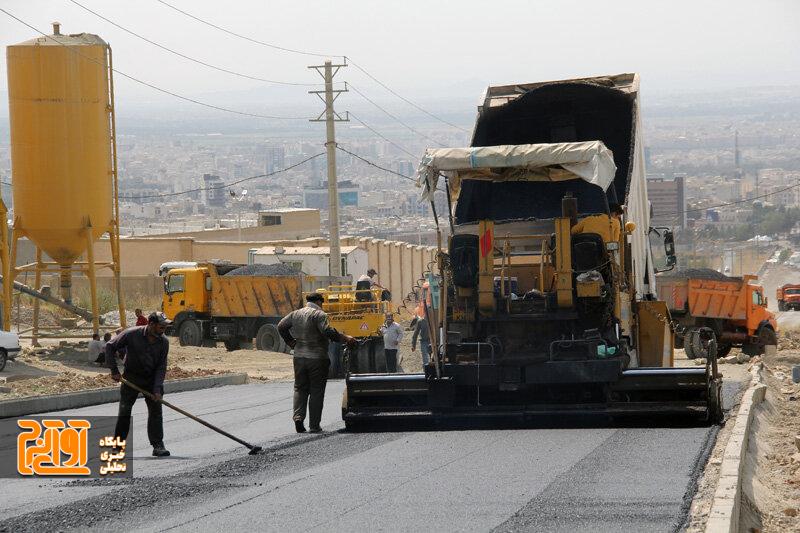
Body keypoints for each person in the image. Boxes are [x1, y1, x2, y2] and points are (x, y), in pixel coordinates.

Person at [278, 293, 356, 434]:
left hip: (299, 357)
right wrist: (346, 338)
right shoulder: (319, 314)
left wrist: (290, 342)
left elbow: (281, 326)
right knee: (316, 391)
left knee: (299, 388)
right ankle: (314, 426)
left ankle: (298, 418)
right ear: (320, 302)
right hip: (317, 358)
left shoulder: (295, 314)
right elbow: (327, 331)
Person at [106, 312, 172, 457]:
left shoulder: (164, 342)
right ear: (151, 324)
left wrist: (157, 389)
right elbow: (110, 346)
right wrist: (114, 370)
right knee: (124, 412)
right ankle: (118, 447)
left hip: (152, 379)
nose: (163, 330)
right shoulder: (131, 334)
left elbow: (161, 366)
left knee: (156, 412)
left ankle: (158, 445)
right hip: (131, 378)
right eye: (161, 327)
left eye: (165, 327)